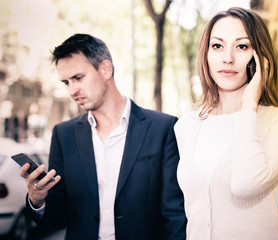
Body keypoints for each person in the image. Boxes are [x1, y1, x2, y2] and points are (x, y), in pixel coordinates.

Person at [19, 33, 187, 240]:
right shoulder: (64, 135)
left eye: (78, 78)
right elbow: (58, 219)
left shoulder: (163, 128)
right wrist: (38, 200)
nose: (72, 90)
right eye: (66, 82)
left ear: (106, 69)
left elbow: (175, 213)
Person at [174, 7, 278, 240]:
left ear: (261, 57)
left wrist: (249, 105)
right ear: (205, 54)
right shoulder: (187, 125)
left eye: (242, 46)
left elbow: (246, 184)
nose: (228, 58)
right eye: (217, 46)